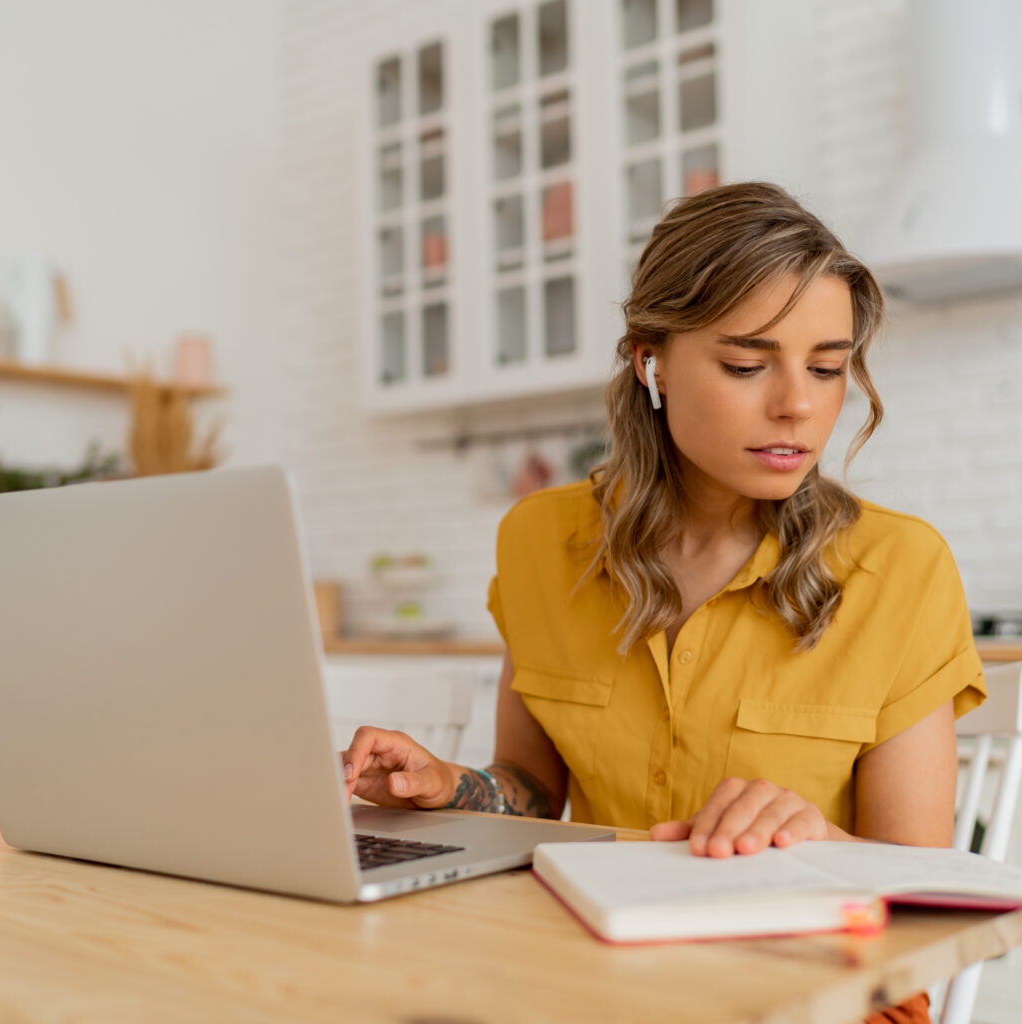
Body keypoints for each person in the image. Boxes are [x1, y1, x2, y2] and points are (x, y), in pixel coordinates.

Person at [343, 182, 985, 1024]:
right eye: (747, 364)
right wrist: (447, 786)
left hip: (820, 992)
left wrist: (813, 837)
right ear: (651, 361)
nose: (799, 401)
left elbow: (921, 887)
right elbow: (533, 790)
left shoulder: (900, 568)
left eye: (828, 367)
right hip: (592, 979)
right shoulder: (542, 542)